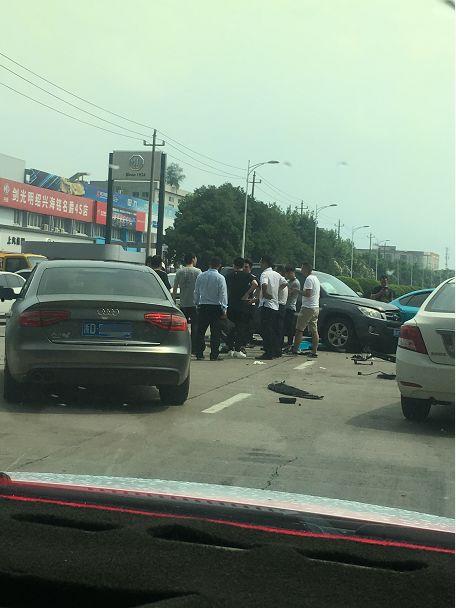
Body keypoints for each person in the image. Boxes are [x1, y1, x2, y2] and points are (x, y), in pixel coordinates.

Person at [194, 257, 228, 361]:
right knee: (215, 333)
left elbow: (196, 291)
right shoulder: (220, 278)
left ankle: (199, 353)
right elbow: (223, 294)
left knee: (200, 331)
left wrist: (197, 303)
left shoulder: (201, 276)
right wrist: (224, 308)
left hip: (203, 306)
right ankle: (214, 354)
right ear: (219, 266)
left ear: (209, 264)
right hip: (216, 307)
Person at [225, 257, 258, 358]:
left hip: (231, 304)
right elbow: (255, 284)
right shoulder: (247, 275)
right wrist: (247, 294)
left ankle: (230, 348)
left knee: (231, 328)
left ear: (233, 265)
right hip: (242, 305)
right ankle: (238, 349)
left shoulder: (228, 275)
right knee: (240, 327)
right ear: (243, 266)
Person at [257, 255, 288, 360]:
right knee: (274, 329)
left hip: (266, 304)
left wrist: (265, 293)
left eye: (261, 262)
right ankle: (276, 350)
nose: (260, 264)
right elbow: (285, 282)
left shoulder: (265, 274)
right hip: (275, 306)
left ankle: (268, 352)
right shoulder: (276, 274)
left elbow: (264, 284)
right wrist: (277, 290)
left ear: (265, 263)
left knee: (265, 329)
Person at [173, 253, 201, 354]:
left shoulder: (179, 272)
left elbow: (175, 288)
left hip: (183, 303)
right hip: (195, 303)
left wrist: (174, 300)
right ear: (193, 259)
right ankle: (194, 348)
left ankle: (182, 345)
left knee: (181, 327)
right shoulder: (198, 272)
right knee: (195, 327)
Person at [292, 262, 320, 358]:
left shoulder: (309, 279)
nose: (301, 270)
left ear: (306, 269)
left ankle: (295, 349)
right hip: (315, 307)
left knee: (299, 329)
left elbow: (308, 294)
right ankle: (314, 351)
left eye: (302, 268)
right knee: (314, 330)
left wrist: (297, 291)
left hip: (307, 307)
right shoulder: (316, 279)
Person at [284, 265, 301, 348]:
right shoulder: (288, 281)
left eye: (287, 273)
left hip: (291, 307)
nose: (286, 275)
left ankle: (290, 343)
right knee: (285, 326)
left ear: (291, 273)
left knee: (290, 327)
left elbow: (289, 294)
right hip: (285, 306)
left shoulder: (295, 283)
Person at [276, 265, 288, 352]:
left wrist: (276, 290)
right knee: (280, 328)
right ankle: (278, 347)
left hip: (279, 305)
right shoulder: (282, 280)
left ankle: (277, 347)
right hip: (282, 305)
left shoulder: (281, 280)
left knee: (277, 328)